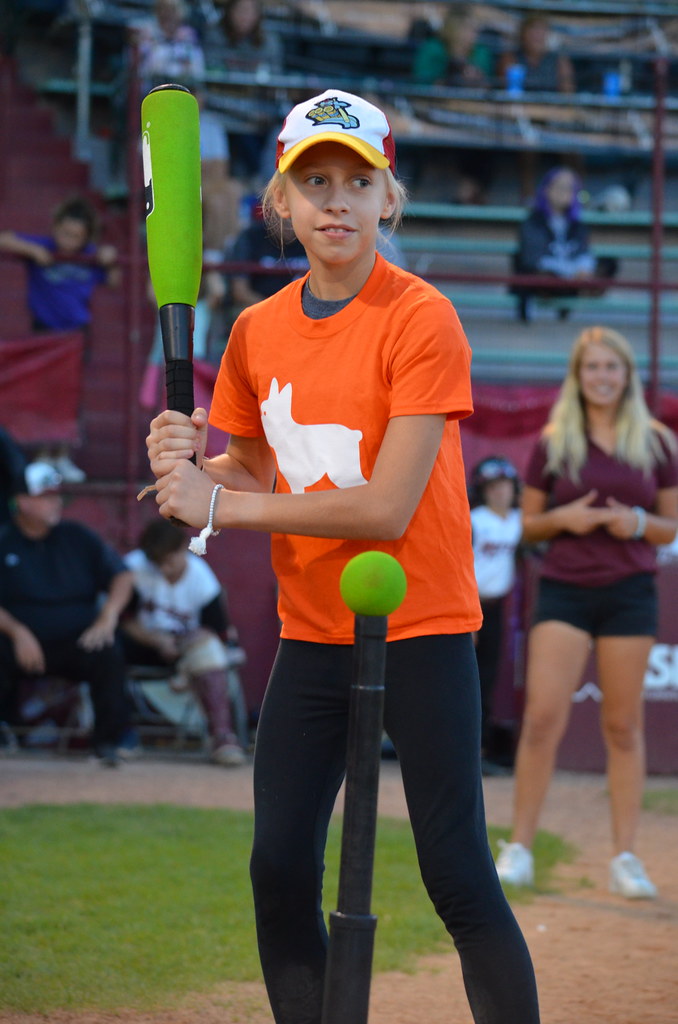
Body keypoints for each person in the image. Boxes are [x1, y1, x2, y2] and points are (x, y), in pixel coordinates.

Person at [144, 88, 540, 1023]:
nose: (335, 200)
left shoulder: (422, 318)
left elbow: (385, 506)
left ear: (387, 200)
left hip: (423, 625)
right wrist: (187, 463)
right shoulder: (255, 330)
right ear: (279, 200)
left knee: (455, 872)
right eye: (312, 181)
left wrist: (218, 509)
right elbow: (245, 462)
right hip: (315, 632)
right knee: (278, 866)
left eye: (357, 182)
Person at [495, 326, 678, 900]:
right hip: (565, 590)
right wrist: (566, 520)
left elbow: (670, 525)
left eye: (612, 367)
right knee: (544, 719)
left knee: (623, 727)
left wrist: (639, 525)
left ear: (628, 376)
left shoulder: (657, 443)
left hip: (630, 590)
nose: (602, 377)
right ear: (578, 376)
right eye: (592, 367)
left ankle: (626, 857)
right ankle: (519, 847)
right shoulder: (554, 442)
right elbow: (528, 525)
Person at [0, 461, 134, 766]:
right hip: (18, 643)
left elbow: (122, 576)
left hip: (76, 640)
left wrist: (107, 616)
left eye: (56, 495)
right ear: (22, 501)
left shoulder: (78, 537)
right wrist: (17, 632)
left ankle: (107, 744)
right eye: (45, 496)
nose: (55, 502)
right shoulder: (4, 540)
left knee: (108, 652)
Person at [0, 195, 120, 481]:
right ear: (55, 229)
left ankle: (62, 456)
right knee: (42, 393)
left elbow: (114, 280)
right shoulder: (44, 248)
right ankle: (43, 456)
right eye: (64, 233)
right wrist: (32, 250)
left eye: (76, 236)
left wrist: (110, 259)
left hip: (77, 336)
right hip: (45, 334)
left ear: (86, 237)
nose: (68, 241)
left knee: (70, 393)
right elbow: (4, 239)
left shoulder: (90, 256)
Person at [121, 519, 246, 766]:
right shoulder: (134, 568)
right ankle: (120, 736)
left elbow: (218, 633)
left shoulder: (200, 576)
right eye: (157, 563)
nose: (164, 569)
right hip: (141, 646)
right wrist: (157, 641)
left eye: (169, 560)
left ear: (182, 549)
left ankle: (221, 737)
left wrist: (184, 644)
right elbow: (123, 620)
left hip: (186, 649)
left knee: (208, 649)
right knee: (107, 649)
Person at [469, 456, 522, 774]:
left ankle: (479, 748)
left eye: (504, 485)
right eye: (493, 487)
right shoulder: (475, 520)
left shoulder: (517, 520)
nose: (500, 492)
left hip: (497, 608)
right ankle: (462, 749)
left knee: (488, 678)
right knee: (467, 677)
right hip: (471, 604)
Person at [411, 4, 495, 204]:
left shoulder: (480, 52)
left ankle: (468, 189)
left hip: (470, 113)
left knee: (488, 136)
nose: (473, 34)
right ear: (454, 29)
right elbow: (421, 84)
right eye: (468, 28)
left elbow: (486, 86)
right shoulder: (434, 48)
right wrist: (447, 76)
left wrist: (474, 77)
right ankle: (465, 191)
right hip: (434, 111)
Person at [512, 166, 617, 322]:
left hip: (571, 276)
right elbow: (534, 259)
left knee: (609, 262)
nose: (565, 192)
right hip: (548, 276)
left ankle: (574, 297)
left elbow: (582, 250)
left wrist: (583, 268)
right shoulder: (533, 221)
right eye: (560, 186)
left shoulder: (577, 223)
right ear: (547, 189)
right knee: (534, 270)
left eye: (570, 188)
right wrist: (570, 271)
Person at [498, 13, 576, 200]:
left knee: (573, 144)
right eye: (533, 30)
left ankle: (577, 196)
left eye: (542, 30)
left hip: (553, 115)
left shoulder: (558, 60)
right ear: (523, 34)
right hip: (521, 116)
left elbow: (568, 94)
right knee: (528, 140)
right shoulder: (511, 58)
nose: (537, 35)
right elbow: (507, 91)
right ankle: (527, 196)